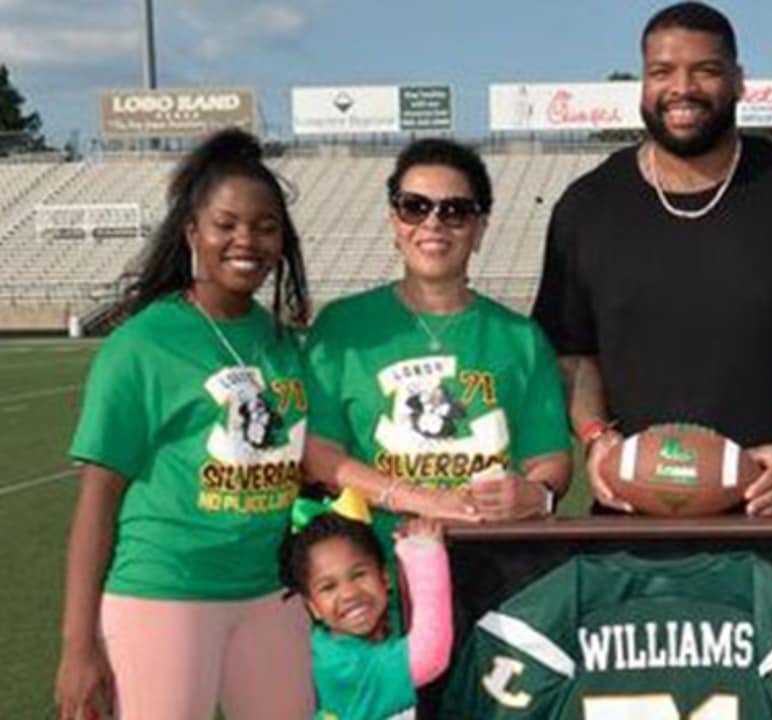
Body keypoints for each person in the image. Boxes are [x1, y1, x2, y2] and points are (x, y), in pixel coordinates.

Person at [532, 1, 772, 517]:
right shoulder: (588, 206)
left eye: (705, 70)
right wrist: (597, 438)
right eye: (662, 72)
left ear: (738, 80)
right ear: (643, 83)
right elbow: (572, 354)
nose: (681, 89)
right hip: (631, 527)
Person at [55, 128, 314, 719]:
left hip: (271, 595)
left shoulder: (285, 346)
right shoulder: (141, 345)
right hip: (164, 593)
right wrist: (78, 648)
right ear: (192, 232)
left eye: (265, 226)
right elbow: (97, 502)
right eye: (226, 224)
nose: (245, 239)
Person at [304, 138, 571, 539]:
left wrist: (537, 494)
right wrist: (420, 499)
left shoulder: (522, 339)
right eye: (415, 206)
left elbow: (550, 460)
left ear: (479, 229)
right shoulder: (341, 327)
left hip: (495, 573)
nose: (433, 223)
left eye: (456, 211)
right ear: (395, 221)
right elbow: (319, 457)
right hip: (374, 578)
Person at [280, 490, 452, 720]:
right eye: (328, 587)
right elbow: (428, 657)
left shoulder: (327, 642)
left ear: (385, 578)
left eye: (359, 574)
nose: (349, 593)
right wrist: (424, 554)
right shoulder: (347, 665)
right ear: (313, 607)